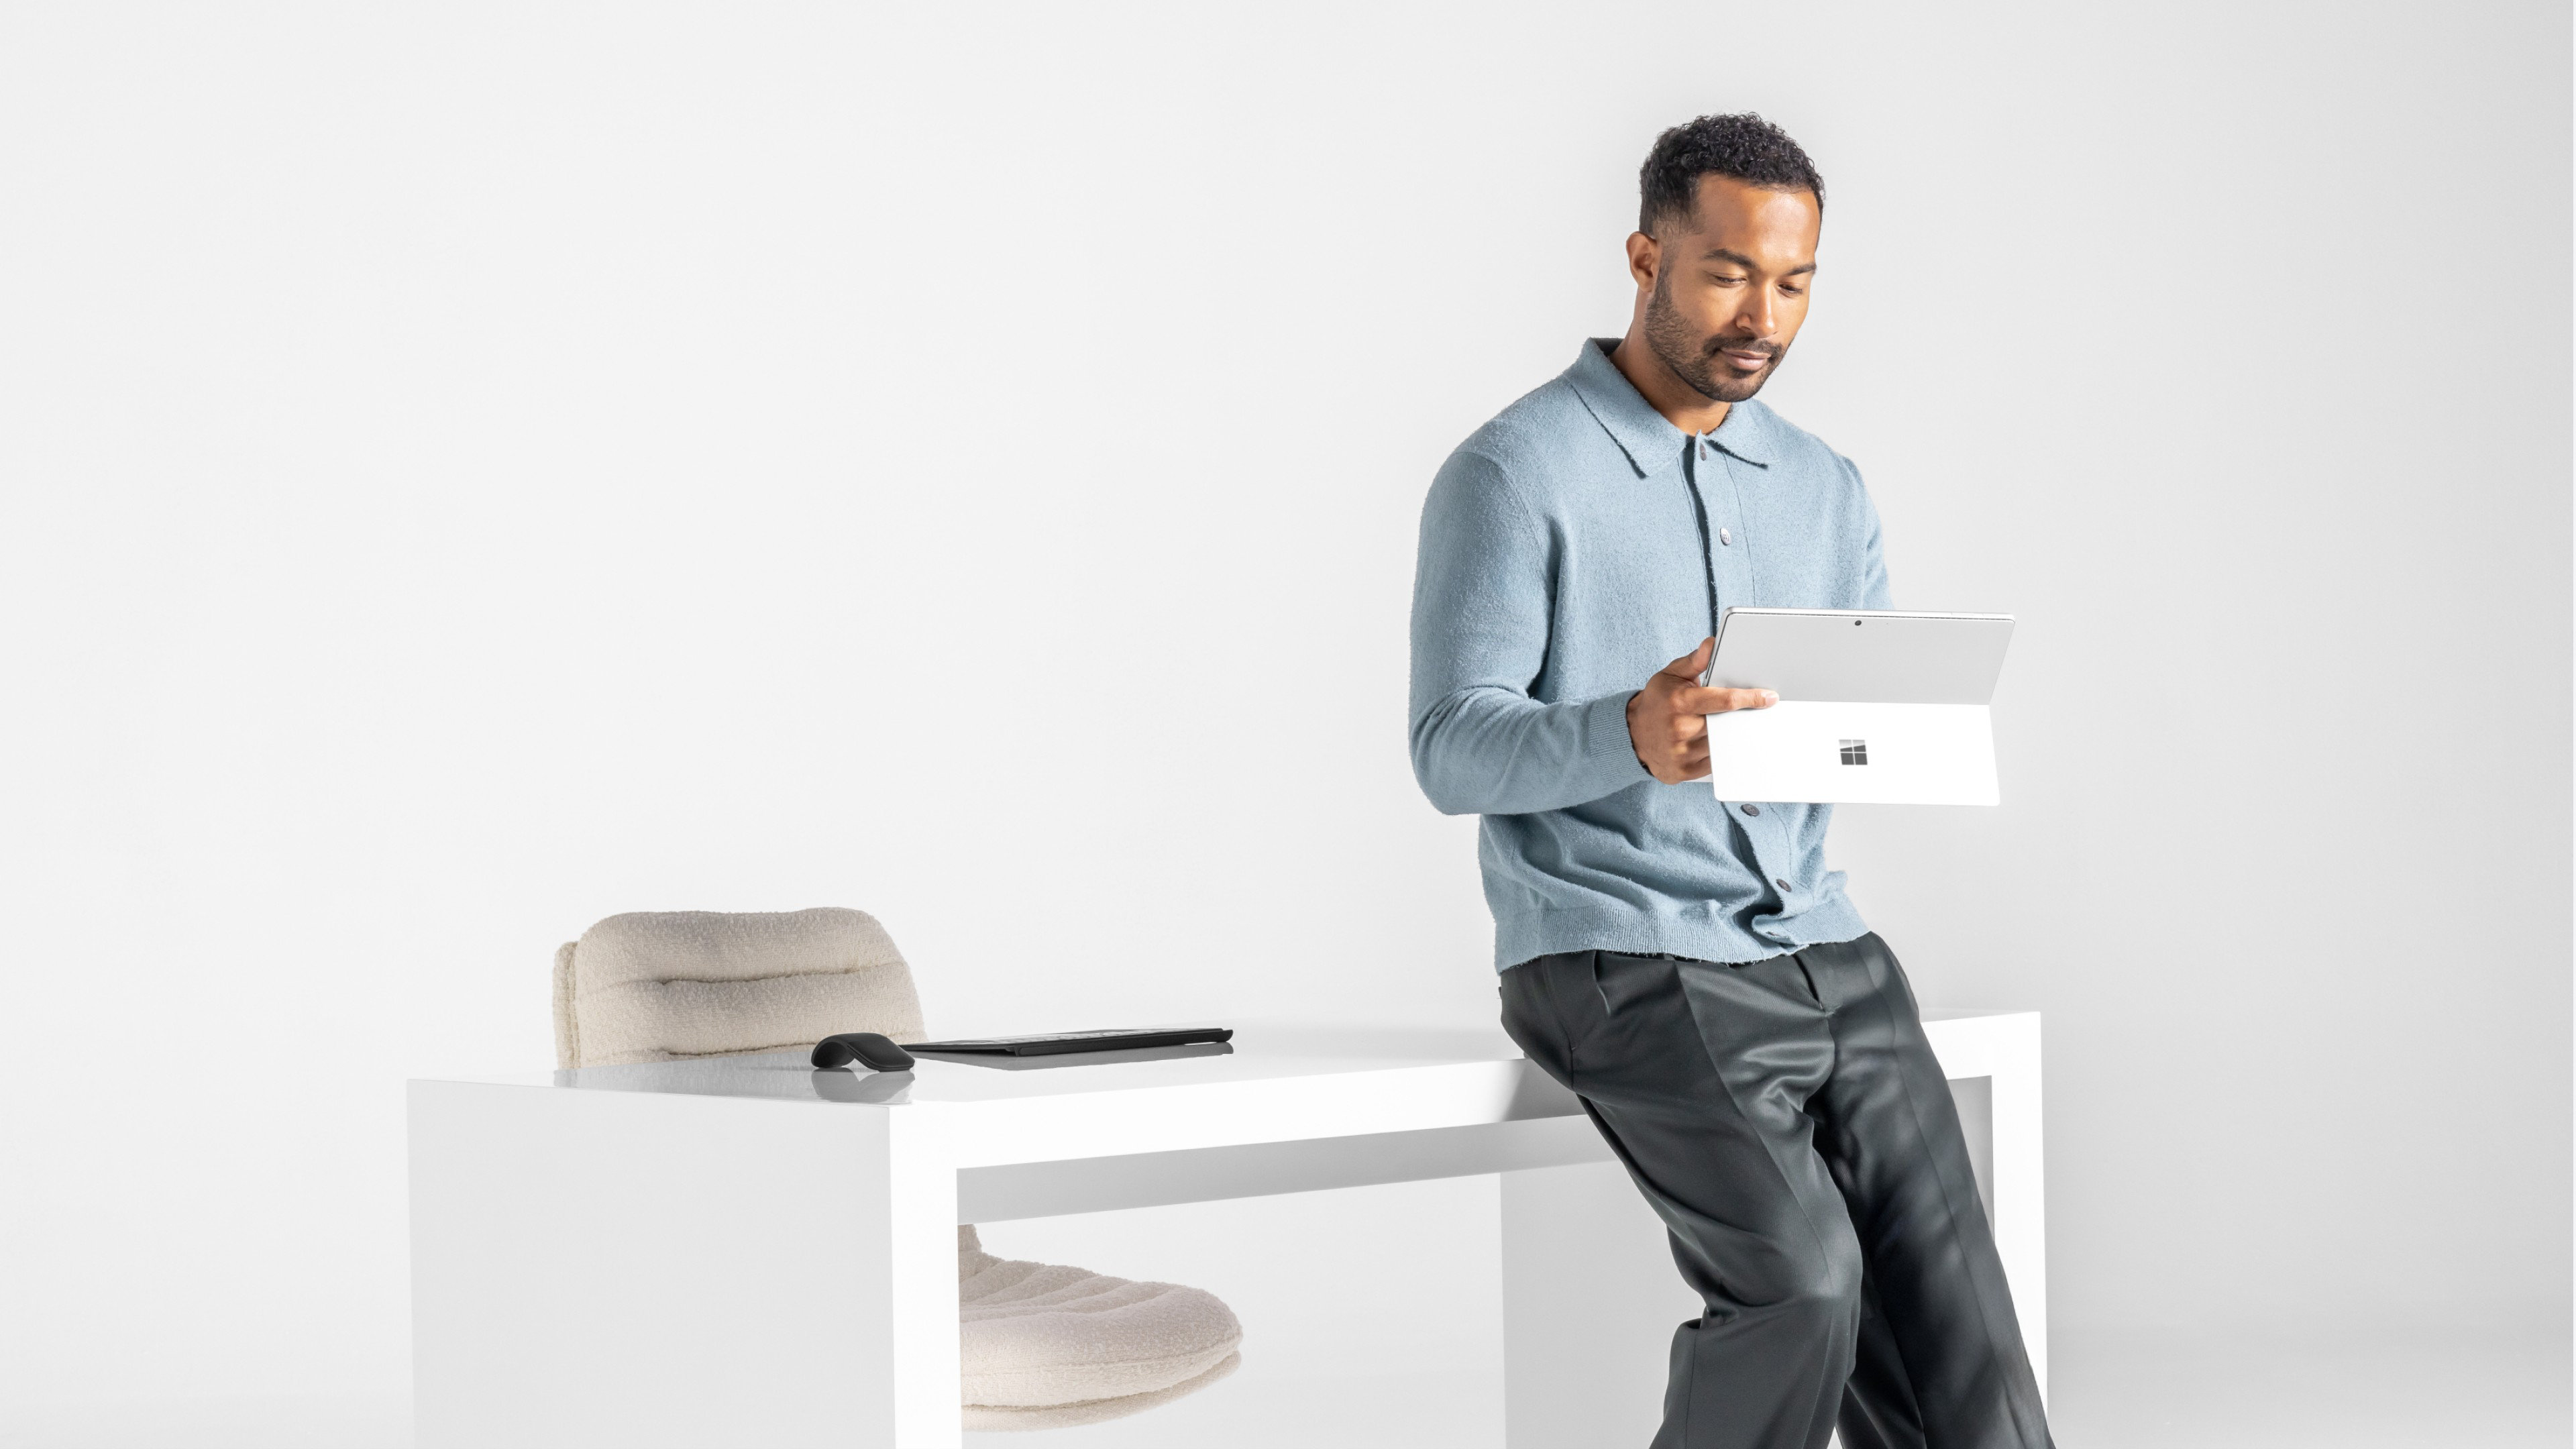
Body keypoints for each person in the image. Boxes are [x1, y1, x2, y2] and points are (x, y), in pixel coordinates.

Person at [1406, 113, 2055, 1449]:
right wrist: (1623, 736)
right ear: (1646, 257)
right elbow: (1450, 748)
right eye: (1726, 273)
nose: (1762, 313)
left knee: (1971, 1358)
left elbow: (1841, 718)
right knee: (1803, 1293)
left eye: (1795, 282)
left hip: (1830, 950)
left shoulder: (1827, 487)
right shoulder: (1513, 473)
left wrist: (1905, 727)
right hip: (1626, 960)